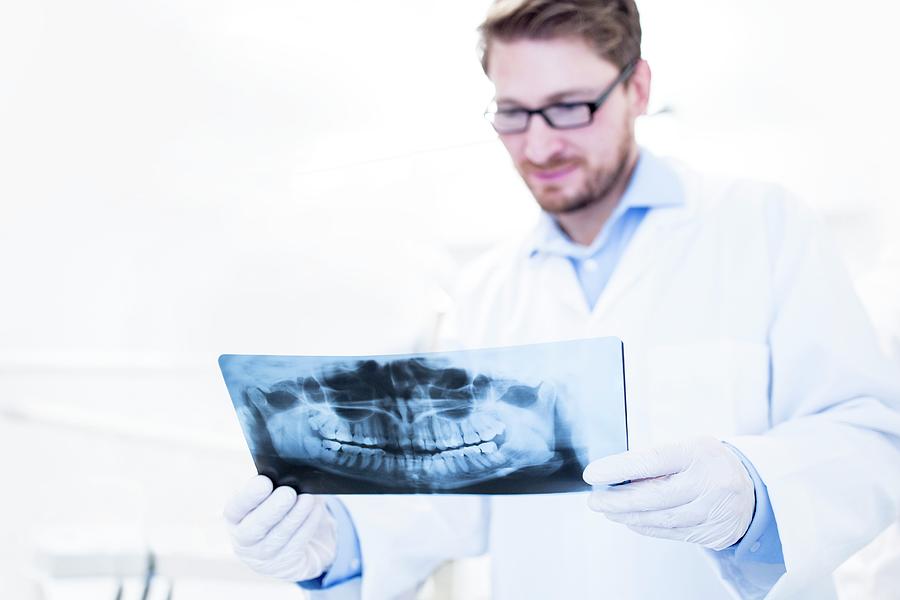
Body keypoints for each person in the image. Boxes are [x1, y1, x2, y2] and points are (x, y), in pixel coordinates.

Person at [223, 1, 900, 598]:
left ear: (637, 87)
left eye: (571, 107)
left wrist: (755, 491)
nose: (539, 145)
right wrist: (335, 538)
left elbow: (870, 434)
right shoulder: (490, 288)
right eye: (513, 114)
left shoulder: (760, 224)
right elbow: (450, 493)